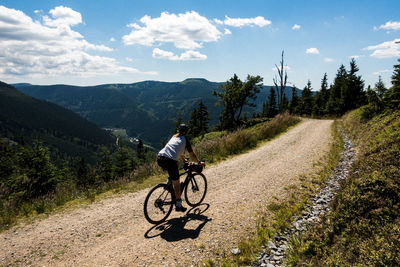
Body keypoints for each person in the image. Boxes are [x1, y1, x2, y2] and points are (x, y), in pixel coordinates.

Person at [157, 124, 203, 212]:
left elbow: (176, 150)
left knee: (176, 164)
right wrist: (199, 162)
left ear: (178, 130)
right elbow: (192, 154)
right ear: (186, 132)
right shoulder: (185, 140)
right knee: (177, 184)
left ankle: (169, 183)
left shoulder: (174, 137)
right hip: (169, 160)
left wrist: (183, 159)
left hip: (160, 157)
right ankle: (178, 205)